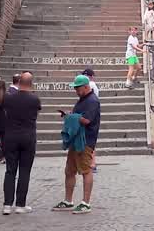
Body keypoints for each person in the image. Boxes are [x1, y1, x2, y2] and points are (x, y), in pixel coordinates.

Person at [52, 75, 101, 214]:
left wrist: (71, 117)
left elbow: (86, 120)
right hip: (76, 139)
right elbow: (78, 115)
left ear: (86, 87)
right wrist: (69, 114)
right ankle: (68, 201)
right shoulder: (82, 99)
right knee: (69, 171)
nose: (76, 91)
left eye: (77, 88)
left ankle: (86, 203)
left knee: (86, 170)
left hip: (86, 140)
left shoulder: (92, 101)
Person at [2, 71, 41, 215]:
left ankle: (7, 205)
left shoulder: (8, 98)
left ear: (18, 83)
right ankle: (20, 204)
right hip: (28, 137)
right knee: (24, 171)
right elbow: (36, 114)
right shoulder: (34, 100)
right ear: (31, 84)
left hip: (10, 137)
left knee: (10, 171)